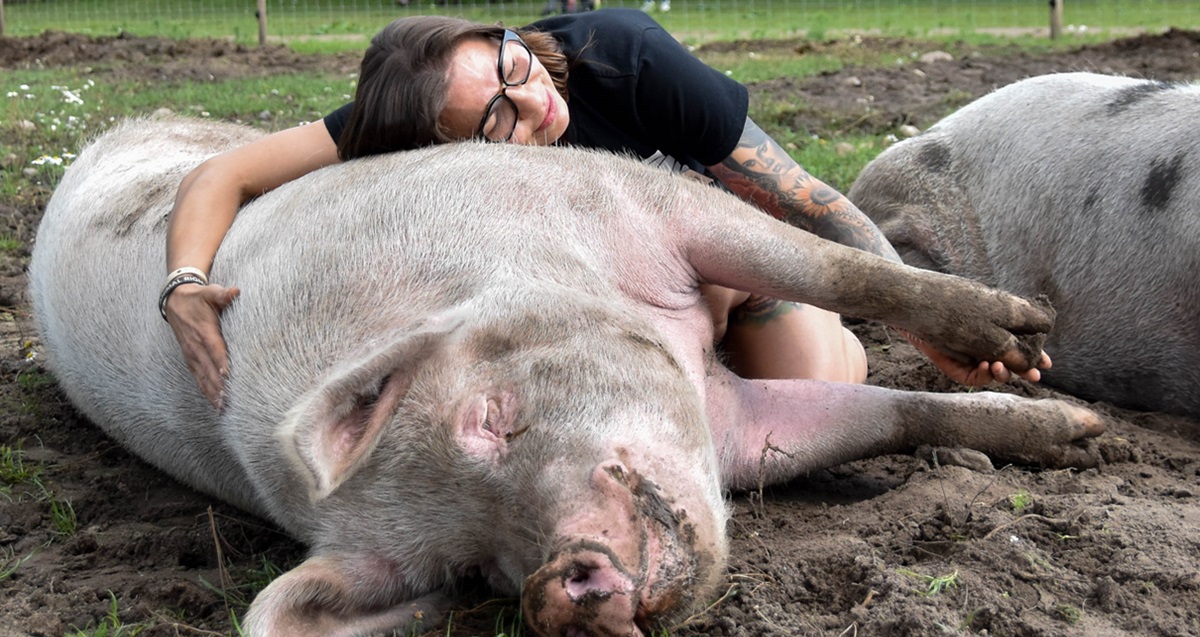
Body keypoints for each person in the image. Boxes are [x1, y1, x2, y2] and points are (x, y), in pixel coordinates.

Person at [165, 9, 1045, 409]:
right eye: (496, 118)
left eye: (511, 63)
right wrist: (186, 285)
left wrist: (919, 314)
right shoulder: (401, 143)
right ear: (437, 152)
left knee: (809, 398)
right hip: (600, 317)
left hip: (720, 280)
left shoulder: (623, 58)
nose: (532, 100)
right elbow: (222, 177)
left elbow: (811, 202)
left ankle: (795, 334)